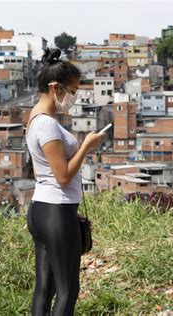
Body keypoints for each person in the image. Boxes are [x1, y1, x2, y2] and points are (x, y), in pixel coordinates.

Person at [25, 47, 104, 316]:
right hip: (56, 211)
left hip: (42, 209)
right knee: (68, 291)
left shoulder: (34, 117)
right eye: (72, 91)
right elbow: (63, 176)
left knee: (44, 289)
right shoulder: (47, 124)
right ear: (55, 88)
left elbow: (41, 173)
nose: (73, 97)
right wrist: (86, 146)